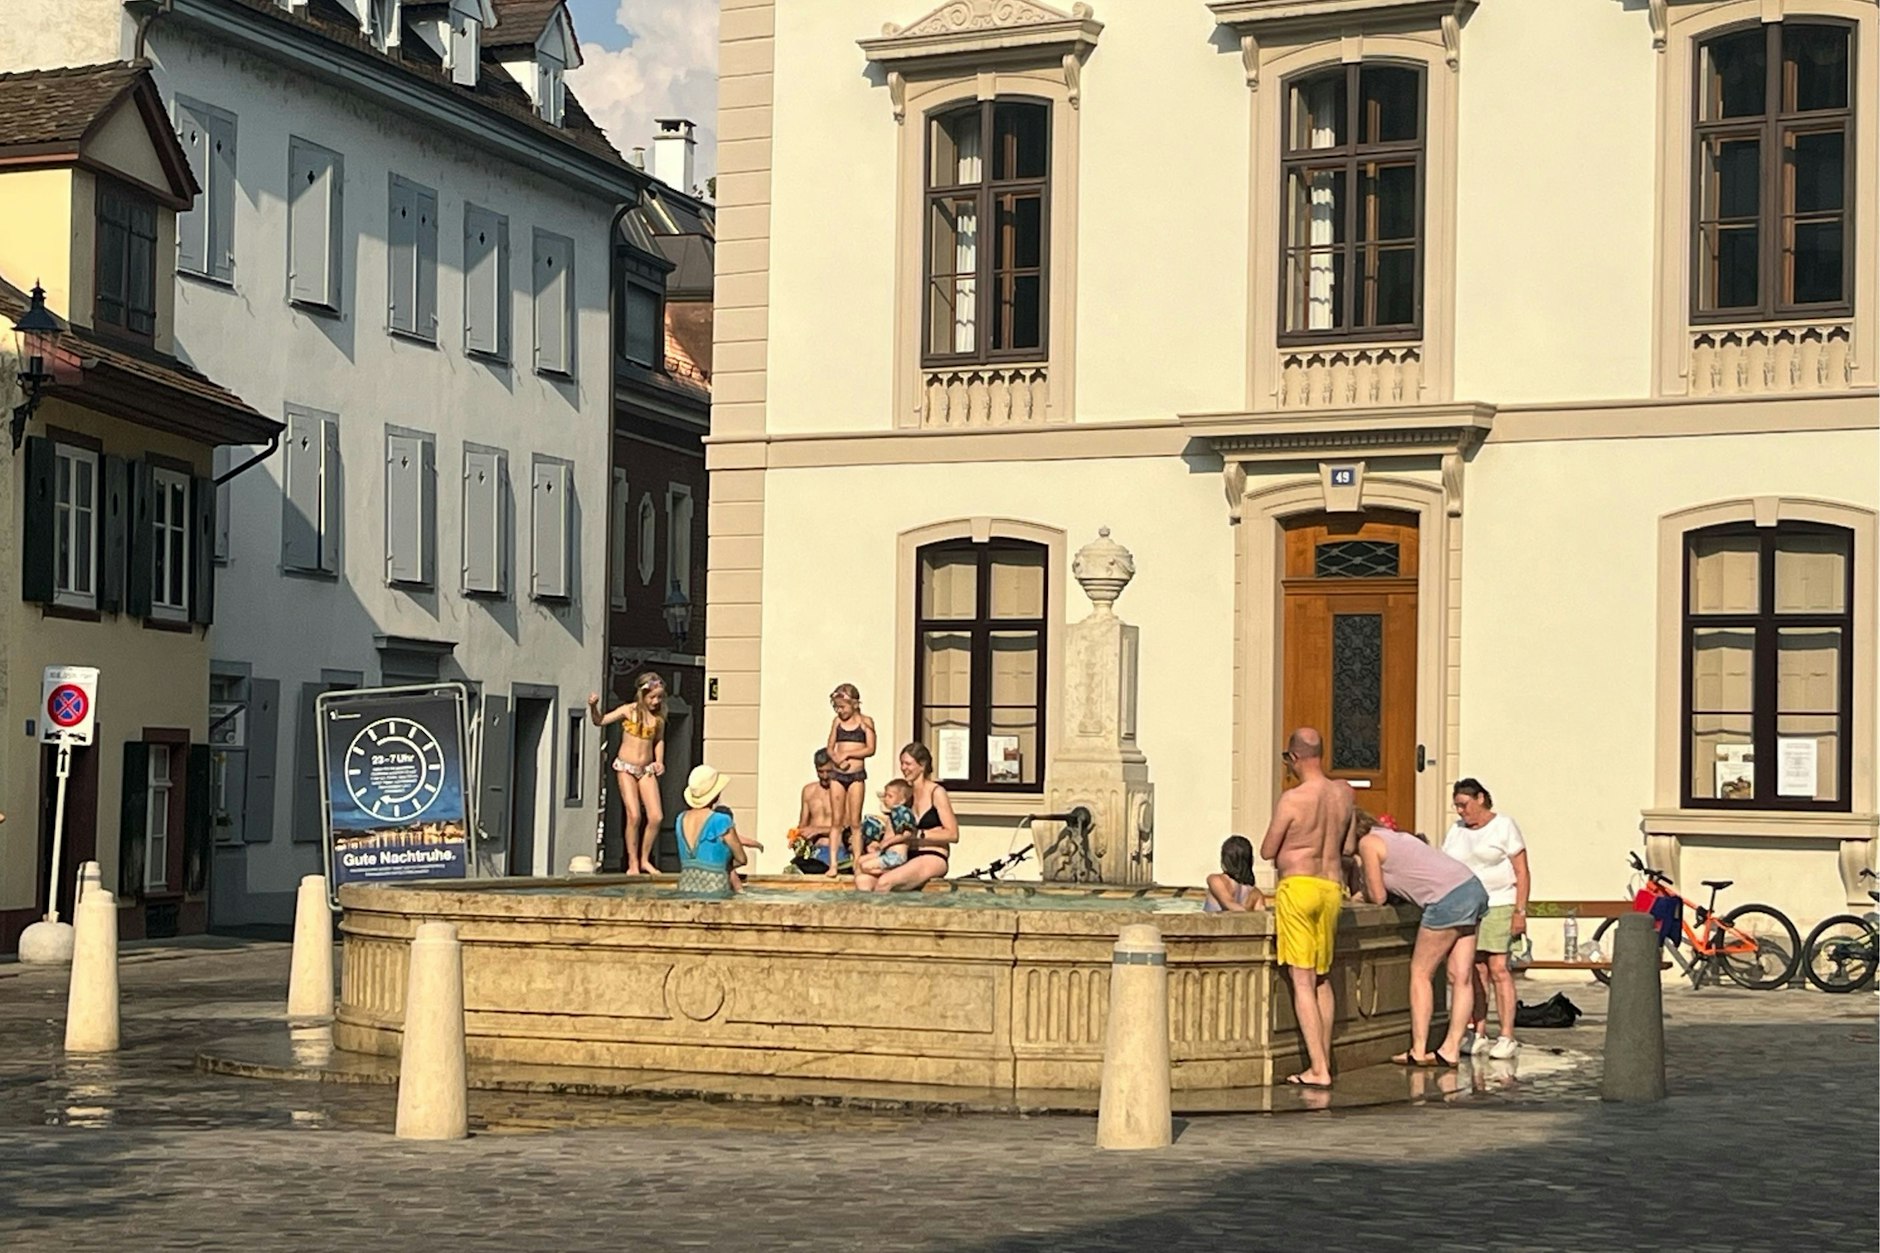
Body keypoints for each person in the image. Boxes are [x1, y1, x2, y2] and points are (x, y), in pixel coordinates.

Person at [1259, 728, 1356, 1089]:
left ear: (1295, 757)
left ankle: (1318, 1068)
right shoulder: (1344, 793)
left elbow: (1268, 850)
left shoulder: (1292, 799)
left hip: (1298, 887)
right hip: (1331, 888)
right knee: (1322, 976)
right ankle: (1324, 1057)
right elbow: (1347, 847)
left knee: (1301, 980)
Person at [1354, 813, 1487, 1067]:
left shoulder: (1368, 843)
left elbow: (1378, 896)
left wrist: (1362, 895)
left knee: (1420, 973)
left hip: (1445, 899)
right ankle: (1450, 1049)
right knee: (1461, 976)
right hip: (1471, 887)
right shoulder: (1397, 837)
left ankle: (1418, 1049)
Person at [1442, 778, 1530, 1061]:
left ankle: (1506, 1034)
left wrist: (1520, 911)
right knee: (1475, 969)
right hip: (1467, 907)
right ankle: (1478, 1029)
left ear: (1480, 799)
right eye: (1456, 806)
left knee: (1498, 967)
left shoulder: (1504, 826)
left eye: (1464, 805)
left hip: (1498, 903)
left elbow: (1522, 871)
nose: (1461, 811)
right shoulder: (1456, 831)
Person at [588, 673, 668, 876]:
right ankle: (632, 862)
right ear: (642, 695)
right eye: (652, 697)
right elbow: (600, 721)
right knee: (634, 815)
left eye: (659, 697)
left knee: (656, 816)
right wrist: (593, 707)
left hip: (646, 768)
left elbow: (659, 740)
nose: (656, 701)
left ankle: (644, 859)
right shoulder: (628, 711)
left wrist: (659, 761)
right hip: (626, 767)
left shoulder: (657, 718)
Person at [855, 743, 956, 893]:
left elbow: (952, 834)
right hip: (905, 855)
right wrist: (878, 842)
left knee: (885, 883)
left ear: (922, 765)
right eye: (902, 763)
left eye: (908, 763)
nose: (903, 768)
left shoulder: (937, 792)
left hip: (931, 854)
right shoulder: (904, 794)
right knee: (863, 880)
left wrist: (918, 835)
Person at [673, 764, 749, 898]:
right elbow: (742, 859)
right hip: (716, 889)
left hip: (685, 888)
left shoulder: (680, 819)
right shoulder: (721, 820)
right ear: (716, 794)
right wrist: (722, 865)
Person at [826, 685, 876, 872]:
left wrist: (848, 755)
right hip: (838, 774)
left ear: (854, 704)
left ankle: (857, 861)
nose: (840, 711)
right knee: (836, 820)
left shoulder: (865, 722)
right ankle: (833, 863)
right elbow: (830, 747)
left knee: (855, 821)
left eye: (843, 707)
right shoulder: (837, 722)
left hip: (855, 774)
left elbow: (870, 748)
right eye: (837, 707)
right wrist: (837, 758)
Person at [856, 778, 916, 878]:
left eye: (890, 796)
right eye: (885, 795)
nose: (885, 799)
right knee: (860, 861)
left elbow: (907, 834)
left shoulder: (902, 813)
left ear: (902, 800)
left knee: (865, 866)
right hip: (887, 853)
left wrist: (887, 842)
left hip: (896, 856)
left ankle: (893, 874)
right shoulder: (892, 815)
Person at [797, 749, 842, 878]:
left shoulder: (842, 792)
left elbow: (846, 827)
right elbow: (803, 824)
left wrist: (818, 830)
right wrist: (797, 838)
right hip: (814, 852)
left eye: (829, 772)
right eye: (820, 771)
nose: (824, 776)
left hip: (835, 850)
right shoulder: (808, 791)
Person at [1205, 835, 1267, 913]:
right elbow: (1260, 918)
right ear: (1250, 861)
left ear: (1224, 859)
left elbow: (1228, 903)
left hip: (1213, 924)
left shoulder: (1215, 880)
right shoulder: (1256, 894)